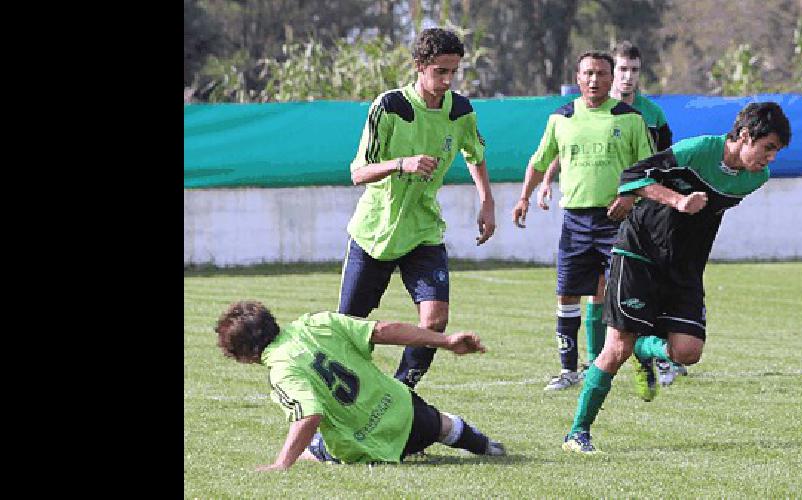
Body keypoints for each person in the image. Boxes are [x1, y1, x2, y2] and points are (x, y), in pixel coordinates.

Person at [562, 102, 792, 454]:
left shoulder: (755, 179)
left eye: (776, 151)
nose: (771, 158)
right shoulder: (697, 150)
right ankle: (577, 434)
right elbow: (634, 176)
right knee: (615, 348)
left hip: (684, 267)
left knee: (688, 351)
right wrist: (676, 199)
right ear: (745, 136)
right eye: (768, 148)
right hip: (638, 252)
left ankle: (644, 348)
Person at [340, 28, 496, 390]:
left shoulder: (460, 111)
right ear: (419, 66)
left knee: (436, 319)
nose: (447, 80)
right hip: (374, 232)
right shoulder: (390, 107)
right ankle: (342, 399)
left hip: (423, 230)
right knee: (347, 327)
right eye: (440, 71)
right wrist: (401, 163)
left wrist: (487, 201)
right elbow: (358, 173)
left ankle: (401, 392)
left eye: (453, 72)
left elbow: (476, 154)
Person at [534, 41, 685, 386]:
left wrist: (651, 201)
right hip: (582, 214)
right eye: (622, 70)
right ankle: (589, 363)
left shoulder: (647, 116)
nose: (626, 77)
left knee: (638, 287)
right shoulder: (571, 114)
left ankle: (654, 354)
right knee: (594, 290)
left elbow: (656, 164)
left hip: (636, 209)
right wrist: (545, 181)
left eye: (634, 70)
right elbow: (569, 146)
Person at [215, 300, 506, 470]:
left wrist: (281, 464)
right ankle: (484, 445)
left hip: (368, 446)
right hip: (407, 414)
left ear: (247, 355)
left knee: (314, 448)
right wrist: (445, 341)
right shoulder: (318, 322)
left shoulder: (281, 369)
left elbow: (309, 416)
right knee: (441, 425)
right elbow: (382, 330)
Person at [511, 51, 655, 391]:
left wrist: (631, 196)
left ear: (611, 78)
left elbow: (649, 169)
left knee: (623, 296)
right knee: (566, 295)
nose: (594, 80)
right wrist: (523, 197)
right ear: (577, 78)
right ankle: (568, 371)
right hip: (574, 221)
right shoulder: (561, 118)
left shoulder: (630, 118)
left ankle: (639, 359)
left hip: (617, 221)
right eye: (588, 73)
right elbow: (539, 160)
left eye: (601, 74)